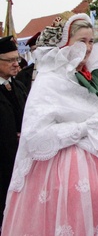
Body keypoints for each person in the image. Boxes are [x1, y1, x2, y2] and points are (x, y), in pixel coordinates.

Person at [2, 13, 98, 235]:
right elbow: (36, 136)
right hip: (60, 169)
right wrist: (87, 126)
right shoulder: (50, 80)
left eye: (91, 41)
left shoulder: (91, 76)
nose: (88, 47)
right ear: (66, 43)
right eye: (81, 41)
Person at [0, 35, 28, 228]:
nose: (15, 64)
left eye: (16, 59)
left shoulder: (18, 86)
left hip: (20, 162)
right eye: (9, 60)